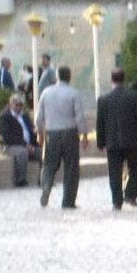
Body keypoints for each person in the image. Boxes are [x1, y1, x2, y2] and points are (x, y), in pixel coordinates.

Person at [35, 65, 89, 209]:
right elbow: (79, 117)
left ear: (57, 77)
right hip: (69, 133)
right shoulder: (73, 93)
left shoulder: (46, 92)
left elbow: (39, 118)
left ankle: (46, 185)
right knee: (71, 168)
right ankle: (68, 201)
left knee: (49, 165)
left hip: (51, 133)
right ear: (69, 77)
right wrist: (84, 135)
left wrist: (40, 134)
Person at [95, 68, 137, 210]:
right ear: (124, 80)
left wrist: (100, 142)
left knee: (114, 172)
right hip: (133, 141)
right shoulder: (134, 97)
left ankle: (116, 201)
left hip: (112, 142)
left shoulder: (104, 100)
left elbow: (100, 122)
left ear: (112, 80)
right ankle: (130, 194)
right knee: (136, 168)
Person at [0, 92, 42, 186]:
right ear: (10, 104)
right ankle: (21, 180)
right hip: (9, 146)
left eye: (21, 105)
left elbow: (31, 130)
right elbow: (8, 137)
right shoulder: (4, 118)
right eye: (16, 105)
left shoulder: (24, 116)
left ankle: (44, 178)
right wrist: (24, 144)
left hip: (28, 145)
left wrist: (37, 137)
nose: (19, 107)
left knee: (44, 152)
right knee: (22, 152)